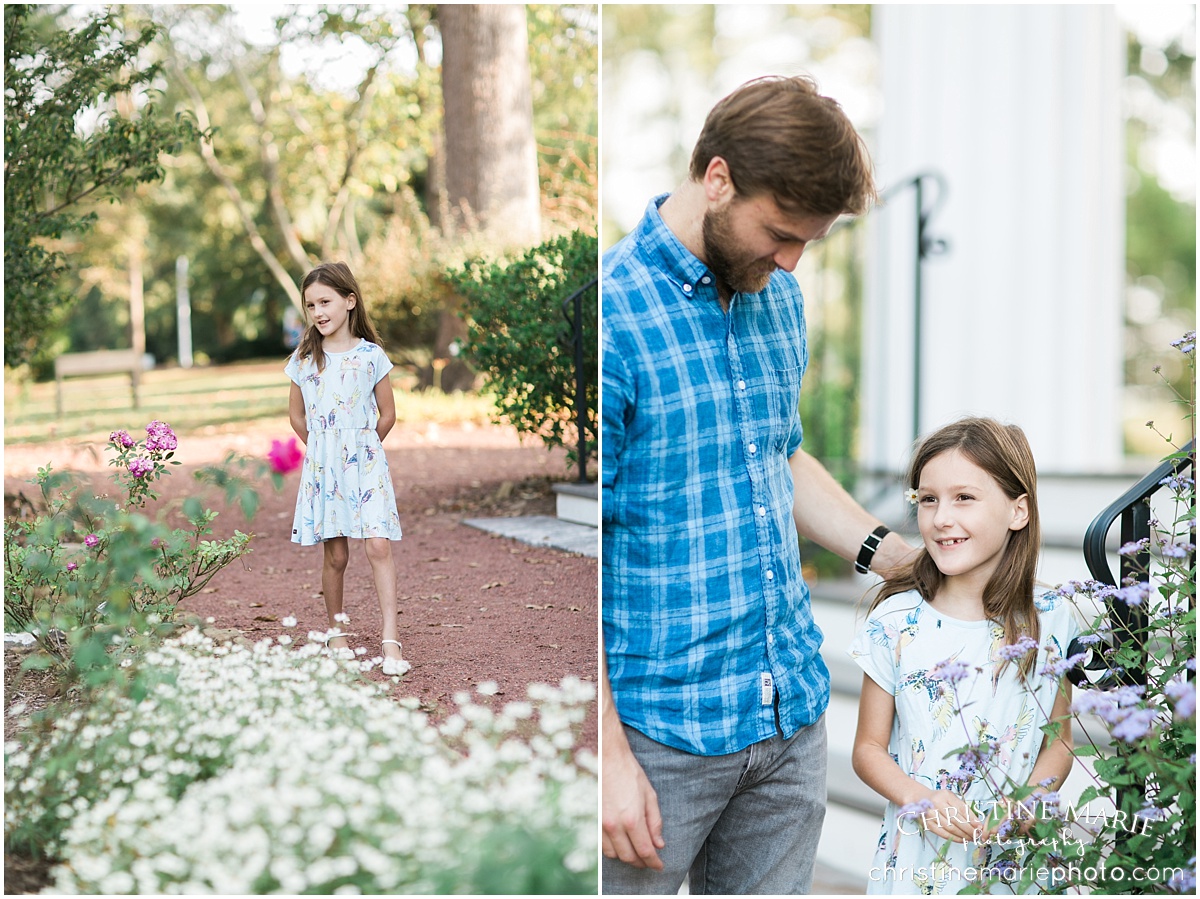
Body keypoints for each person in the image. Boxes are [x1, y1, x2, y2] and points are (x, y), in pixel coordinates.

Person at [601, 74, 916, 895]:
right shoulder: (611, 316)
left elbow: (775, 453)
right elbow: (579, 555)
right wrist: (603, 751)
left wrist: (891, 556)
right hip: (658, 736)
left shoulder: (777, 298)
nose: (789, 261)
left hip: (789, 717)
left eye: (808, 242)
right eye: (780, 233)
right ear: (716, 177)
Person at [849, 417, 1079, 894]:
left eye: (964, 498)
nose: (940, 518)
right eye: (927, 499)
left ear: (1019, 512)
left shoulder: (1052, 617)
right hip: (918, 863)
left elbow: (1058, 741)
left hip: (1013, 864)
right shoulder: (896, 622)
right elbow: (868, 750)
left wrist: (1028, 800)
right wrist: (922, 799)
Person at [285, 261, 410, 677]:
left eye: (326, 302)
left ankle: (390, 638)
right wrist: (323, 450)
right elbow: (297, 417)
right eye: (311, 305)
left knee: (378, 545)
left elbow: (388, 414)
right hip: (325, 466)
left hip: (367, 460)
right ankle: (336, 632)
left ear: (349, 301)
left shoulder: (371, 355)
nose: (319, 312)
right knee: (335, 554)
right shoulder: (304, 359)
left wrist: (362, 445)